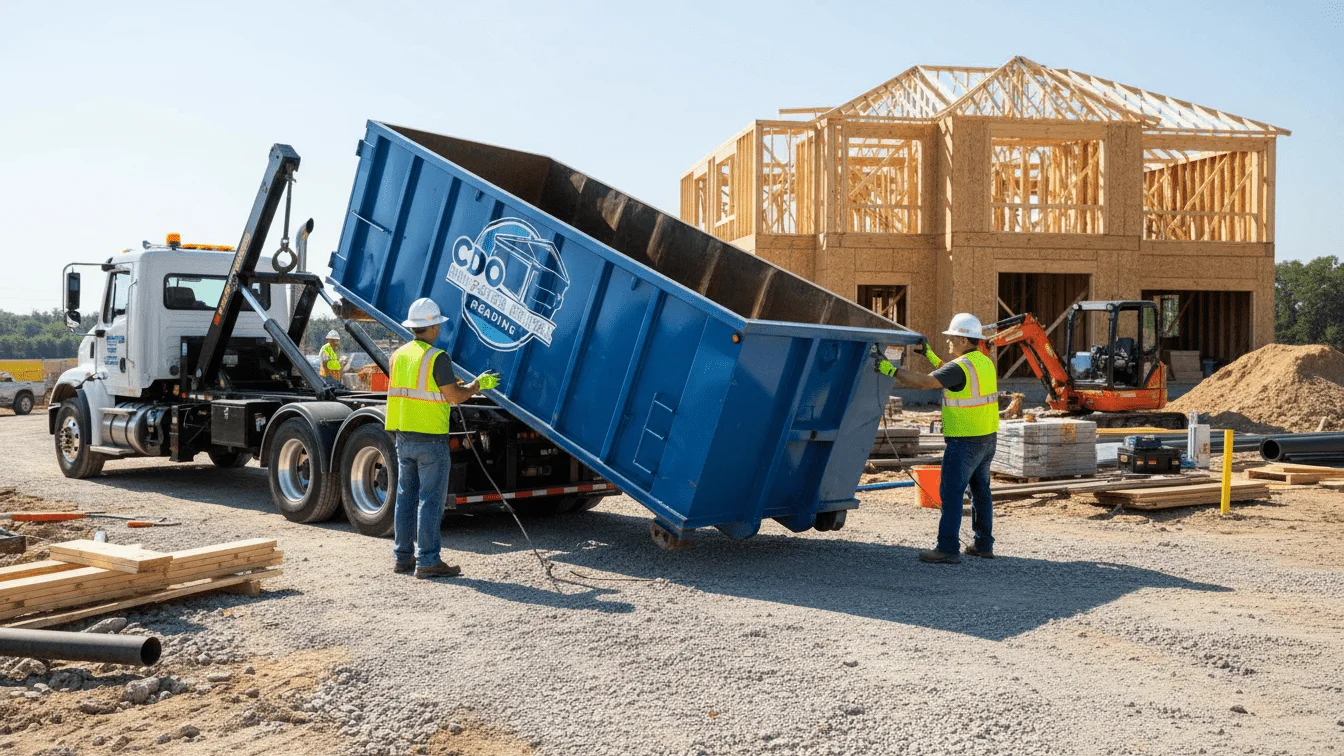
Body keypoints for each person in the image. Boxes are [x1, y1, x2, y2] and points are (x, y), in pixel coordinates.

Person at [384, 298, 499, 579]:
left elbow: (420, 387)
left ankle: (402, 558)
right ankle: (428, 561)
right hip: (431, 439)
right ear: (433, 326)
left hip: (404, 435)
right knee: (431, 502)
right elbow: (453, 397)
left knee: (405, 498)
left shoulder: (398, 356)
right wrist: (477, 385)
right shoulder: (437, 357)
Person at [879, 313, 999, 564]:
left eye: (951, 338)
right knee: (981, 492)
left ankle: (947, 548)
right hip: (987, 438)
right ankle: (983, 544)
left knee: (951, 492)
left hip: (964, 440)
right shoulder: (983, 363)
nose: (948, 342)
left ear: (964, 341)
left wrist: (890, 370)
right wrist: (929, 356)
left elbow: (926, 383)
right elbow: (951, 374)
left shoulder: (961, 367)